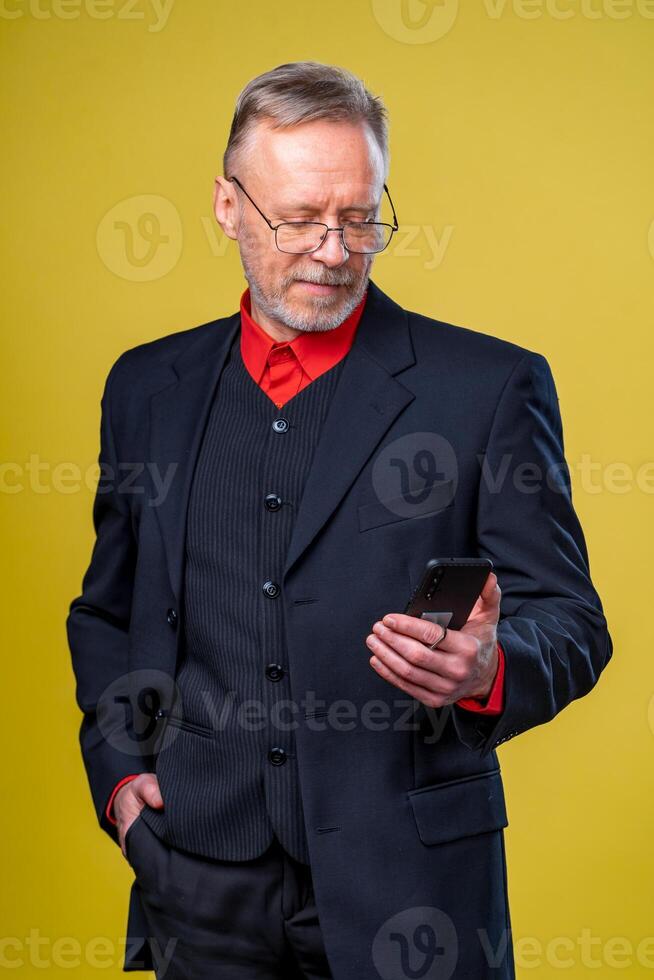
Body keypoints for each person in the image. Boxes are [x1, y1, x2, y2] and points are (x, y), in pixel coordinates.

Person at [66, 60, 613, 980]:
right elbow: (110, 612)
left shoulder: (487, 387)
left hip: (414, 891)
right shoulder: (146, 388)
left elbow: (572, 619)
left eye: (360, 218)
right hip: (196, 881)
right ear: (228, 206)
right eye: (299, 219)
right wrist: (122, 779)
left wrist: (489, 668)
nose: (333, 250)